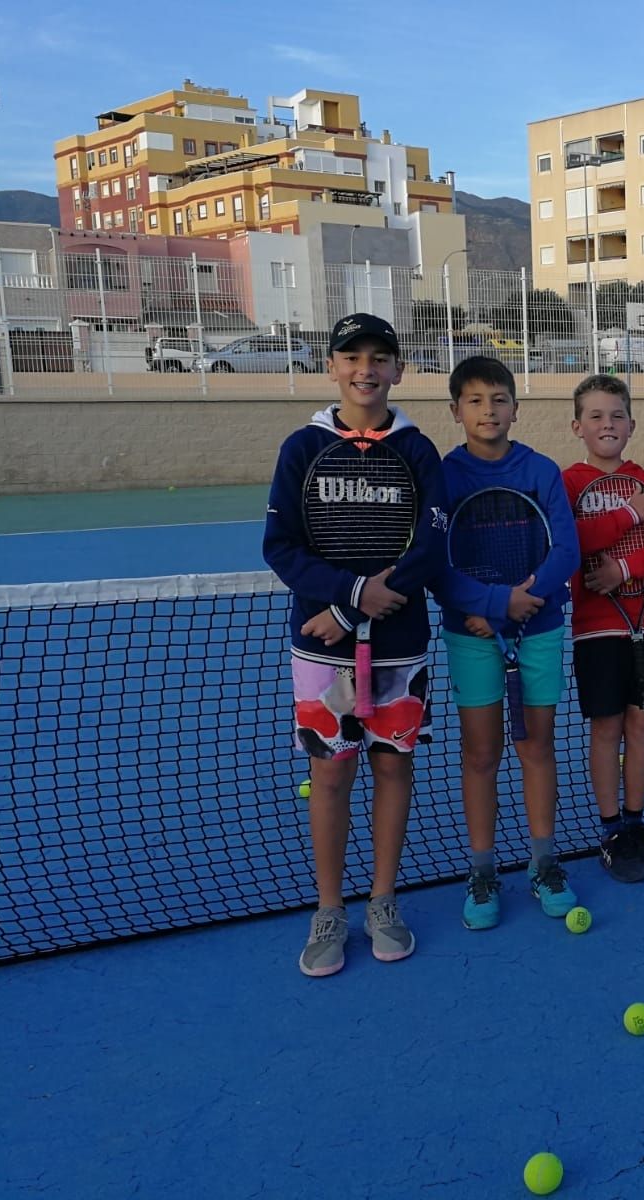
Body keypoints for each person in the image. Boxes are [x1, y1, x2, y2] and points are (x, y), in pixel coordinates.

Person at [263, 312, 447, 977]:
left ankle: (383, 901)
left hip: (400, 648)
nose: (365, 370)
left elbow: (432, 544)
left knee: (393, 768)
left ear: (398, 370)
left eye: (378, 358)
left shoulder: (418, 450)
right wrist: (346, 601)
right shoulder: (302, 448)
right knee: (332, 774)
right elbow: (280, 546)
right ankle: (330, 909)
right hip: (321, 650)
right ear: (331, 367)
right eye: (351, 357)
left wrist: (362, 603)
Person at [431, 356, 580, 928]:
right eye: (475, 400)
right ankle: (482, 871)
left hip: (538, 630)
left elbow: (565, 552)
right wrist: (492, 605)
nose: (488, 410)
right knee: (480, 754)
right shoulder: (445, 477)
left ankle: (544, 863)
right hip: (471, 635)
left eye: (498, 400)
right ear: (456, 411)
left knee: (537, 747)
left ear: (516, 408)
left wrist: (520, 602)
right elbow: (436, 564)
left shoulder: (540, 470)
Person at [563, 374, 644, 882]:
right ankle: (611, 829)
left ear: (632, 424)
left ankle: (636, 823)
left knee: (642, 724)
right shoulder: (568, 483)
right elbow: (571, 541)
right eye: (595, 415)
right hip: (596, 629)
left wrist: (623, 568)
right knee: (606, 727)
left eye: (617, 415)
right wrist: (629, 514)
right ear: (577, 426)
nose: (607, 424)